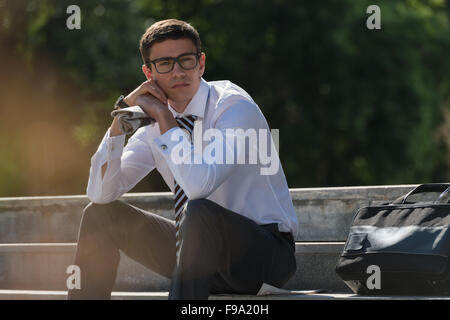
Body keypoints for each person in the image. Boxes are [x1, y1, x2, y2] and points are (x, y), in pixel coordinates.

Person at [67, 18, 298, 300]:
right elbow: (100, 194)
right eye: (165, 64)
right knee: (100, 215)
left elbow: (199, 187)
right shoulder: (153, 124)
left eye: (185, 61)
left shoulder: (234, 107)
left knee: (199, 210)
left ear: (201, 63)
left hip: (263, 257)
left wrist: (165, 118)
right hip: (198, 257)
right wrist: (119, 124)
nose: (177, 72)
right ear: (148, 73)